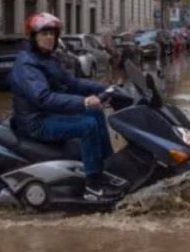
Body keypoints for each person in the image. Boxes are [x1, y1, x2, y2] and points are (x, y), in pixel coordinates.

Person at [8, 12, 118, 199]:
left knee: (96, 113)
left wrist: (106, 88)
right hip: (36, 122)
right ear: (33, 37)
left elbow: (72, 83)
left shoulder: (48, 59)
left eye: (52, 33)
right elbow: (43, 98)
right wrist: (82, 101)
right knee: (87, 126)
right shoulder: (27, 64)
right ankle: (92, 185)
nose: (50, 37)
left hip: (48, 114)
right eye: (44, 33)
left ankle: (107, 168)